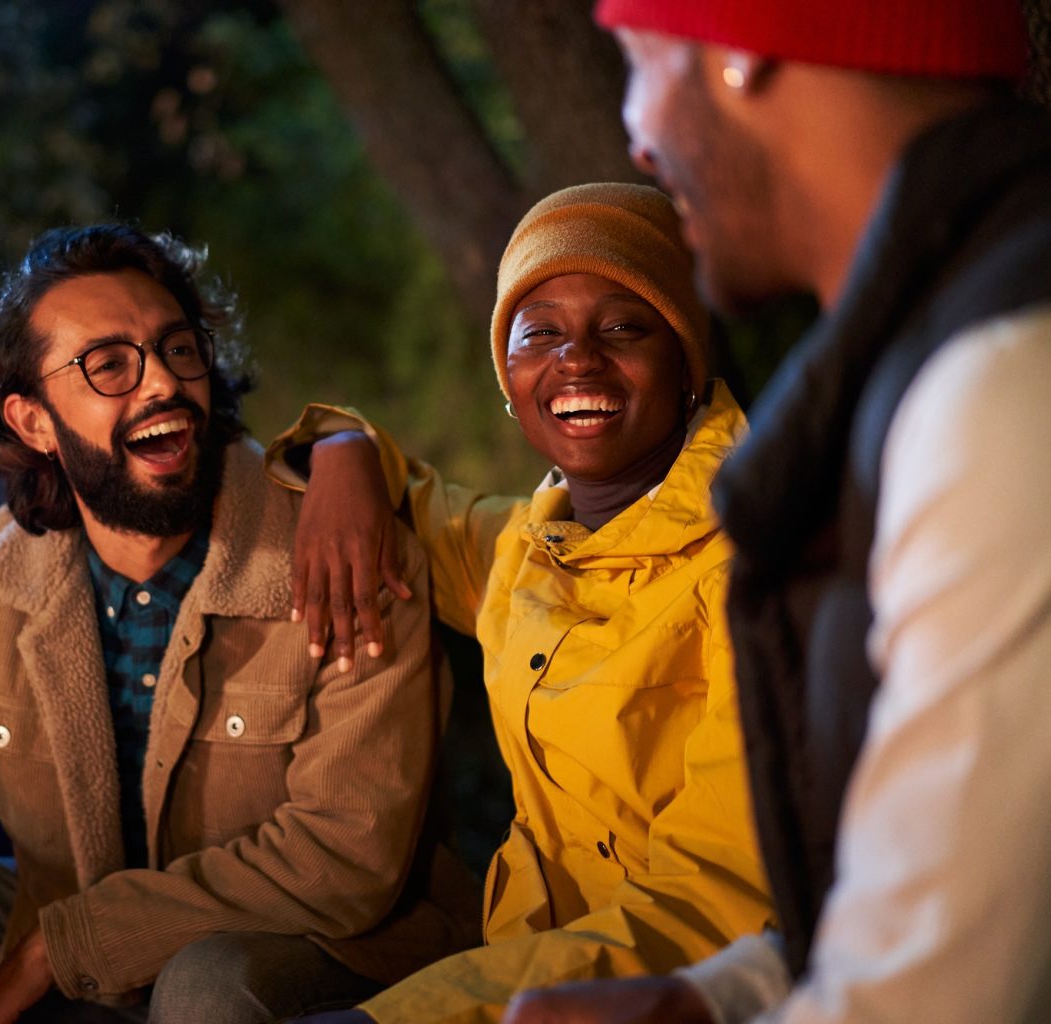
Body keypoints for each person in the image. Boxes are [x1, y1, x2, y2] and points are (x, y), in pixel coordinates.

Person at [501, 2, 1051, 1022]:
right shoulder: (961, 341)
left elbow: (947, 999)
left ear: (741, 49)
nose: (638, 135)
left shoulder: (1017, 386)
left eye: (640, 61)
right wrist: (716, 997)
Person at [0, 223, 479, 1024]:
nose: (163, 382)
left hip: (329, 945)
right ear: (33, 421)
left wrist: (78, 942)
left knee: (206, 984)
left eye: (178, 349)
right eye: (109, 364)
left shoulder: (343, 554)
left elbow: (344, 858)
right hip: (68, 926)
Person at [276, 183, 776, 1024]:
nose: (577, 359)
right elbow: (402, 498)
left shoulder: (758, 571)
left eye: (623, 327)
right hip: (516, 974)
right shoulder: (519, 548)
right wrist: (341, 446)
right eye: (539, 333)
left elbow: (714, 907)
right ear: (508, 381)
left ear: (688, 365)